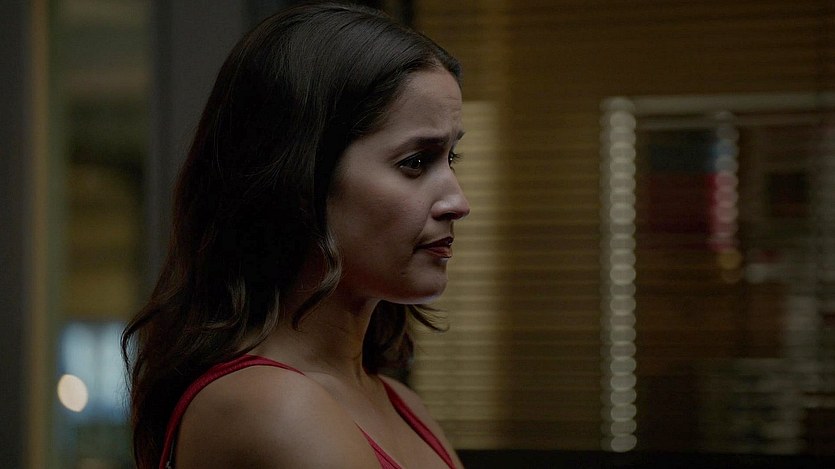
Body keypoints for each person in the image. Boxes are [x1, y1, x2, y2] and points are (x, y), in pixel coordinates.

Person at [121, 2, 470, 468]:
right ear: (300, 176)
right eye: (415, 162)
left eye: (451, 158)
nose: (458, 201)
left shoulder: (401, 404)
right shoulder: (272, 406)